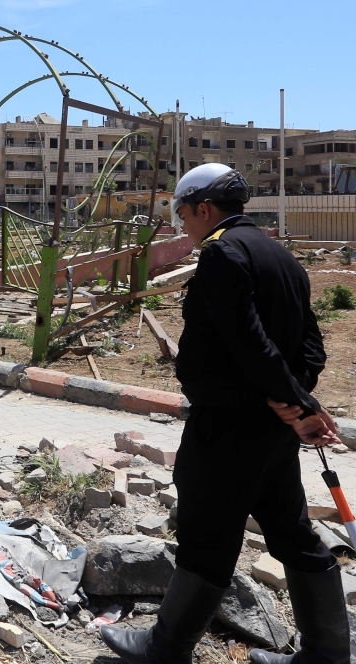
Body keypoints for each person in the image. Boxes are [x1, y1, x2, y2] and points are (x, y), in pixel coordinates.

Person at [100, 163, 347, 664]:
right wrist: (294, 402)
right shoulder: (281, 256)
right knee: (291, 531)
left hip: (227, 428)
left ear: (204, 209)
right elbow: (312, 345)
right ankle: (325, 655)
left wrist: (294, 403)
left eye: (184, 214)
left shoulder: (221, 254)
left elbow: (247, 341)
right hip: (271, 432)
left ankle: (164, 650)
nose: (184, 225)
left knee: (205, 532)